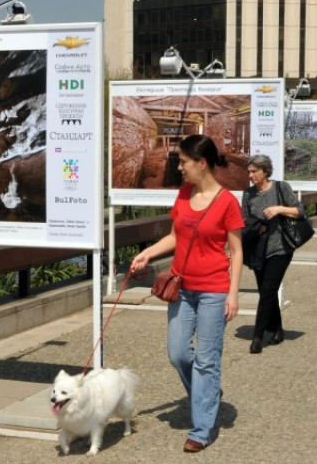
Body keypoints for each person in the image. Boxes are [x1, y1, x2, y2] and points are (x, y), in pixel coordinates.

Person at [129, 135, 244, 453]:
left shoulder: (227, 202)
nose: (178, 167)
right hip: (181, 287)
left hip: (213, 292)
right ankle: (208, 395)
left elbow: (236, 251)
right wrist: (148, 253)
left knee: (207, 361)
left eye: (183, 162)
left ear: (202, 163)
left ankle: (202, 429)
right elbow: (175, 237)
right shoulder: (183, 195)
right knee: (178, 353)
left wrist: (233, 294)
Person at [240, 154, 301, 354]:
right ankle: (277, 329)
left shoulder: (280, 187)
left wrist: (278, 209)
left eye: (254, 171)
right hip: (258, 250)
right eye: (248, 171)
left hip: (280, 248)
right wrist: (255, 227)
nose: (250, 175)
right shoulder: (248, 194)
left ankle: (258, 336)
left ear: (265, 171)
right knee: (267, 291)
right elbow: (244, 222)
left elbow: (300, 211)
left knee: (267, 291)